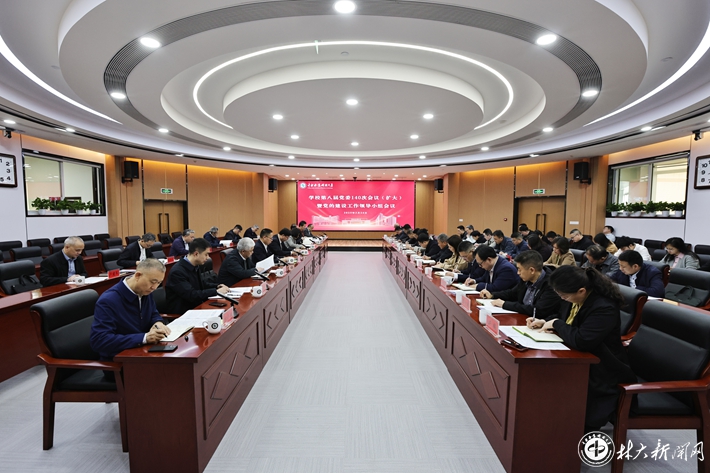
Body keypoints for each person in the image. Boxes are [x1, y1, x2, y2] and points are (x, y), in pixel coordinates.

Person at [528, 265, 636, 433]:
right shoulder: (575, 299)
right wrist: (545, 321)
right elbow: (565, 319)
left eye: (564, 296)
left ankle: (566, 428)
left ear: (581, 291)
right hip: (582, 359)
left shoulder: (604, 307)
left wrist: (556, 324)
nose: (562, 299)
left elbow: (582, 340)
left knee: (555, 382)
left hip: (604, 368)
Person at [90, 259, 171, 361]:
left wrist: (158, 322)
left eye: (159, 283)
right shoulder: (108, 300)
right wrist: (144, 338)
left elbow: (153, 313)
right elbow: (100, 341)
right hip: (120, 361)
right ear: (137, 275)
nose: (154, 287)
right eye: (153, 282)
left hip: (144, 352)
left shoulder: (145, 291)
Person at [479, 251, 560, 317]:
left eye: (520, 269)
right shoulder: (526, 279)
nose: (518, 273)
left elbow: (538, 311)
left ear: (532, 270)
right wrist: (492, 295)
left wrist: (505, 304)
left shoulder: (551, 285)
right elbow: (512, 293)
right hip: (523, 318)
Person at [164, 238, 229, 314]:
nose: (208, 257)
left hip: (195, 307)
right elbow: (191, 295)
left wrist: (217, 286)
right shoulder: (177, 272)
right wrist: (216, 292)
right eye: (206, 254)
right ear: (196, 254)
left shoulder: (194, 266)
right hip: (183, 313)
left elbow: (201, 284)